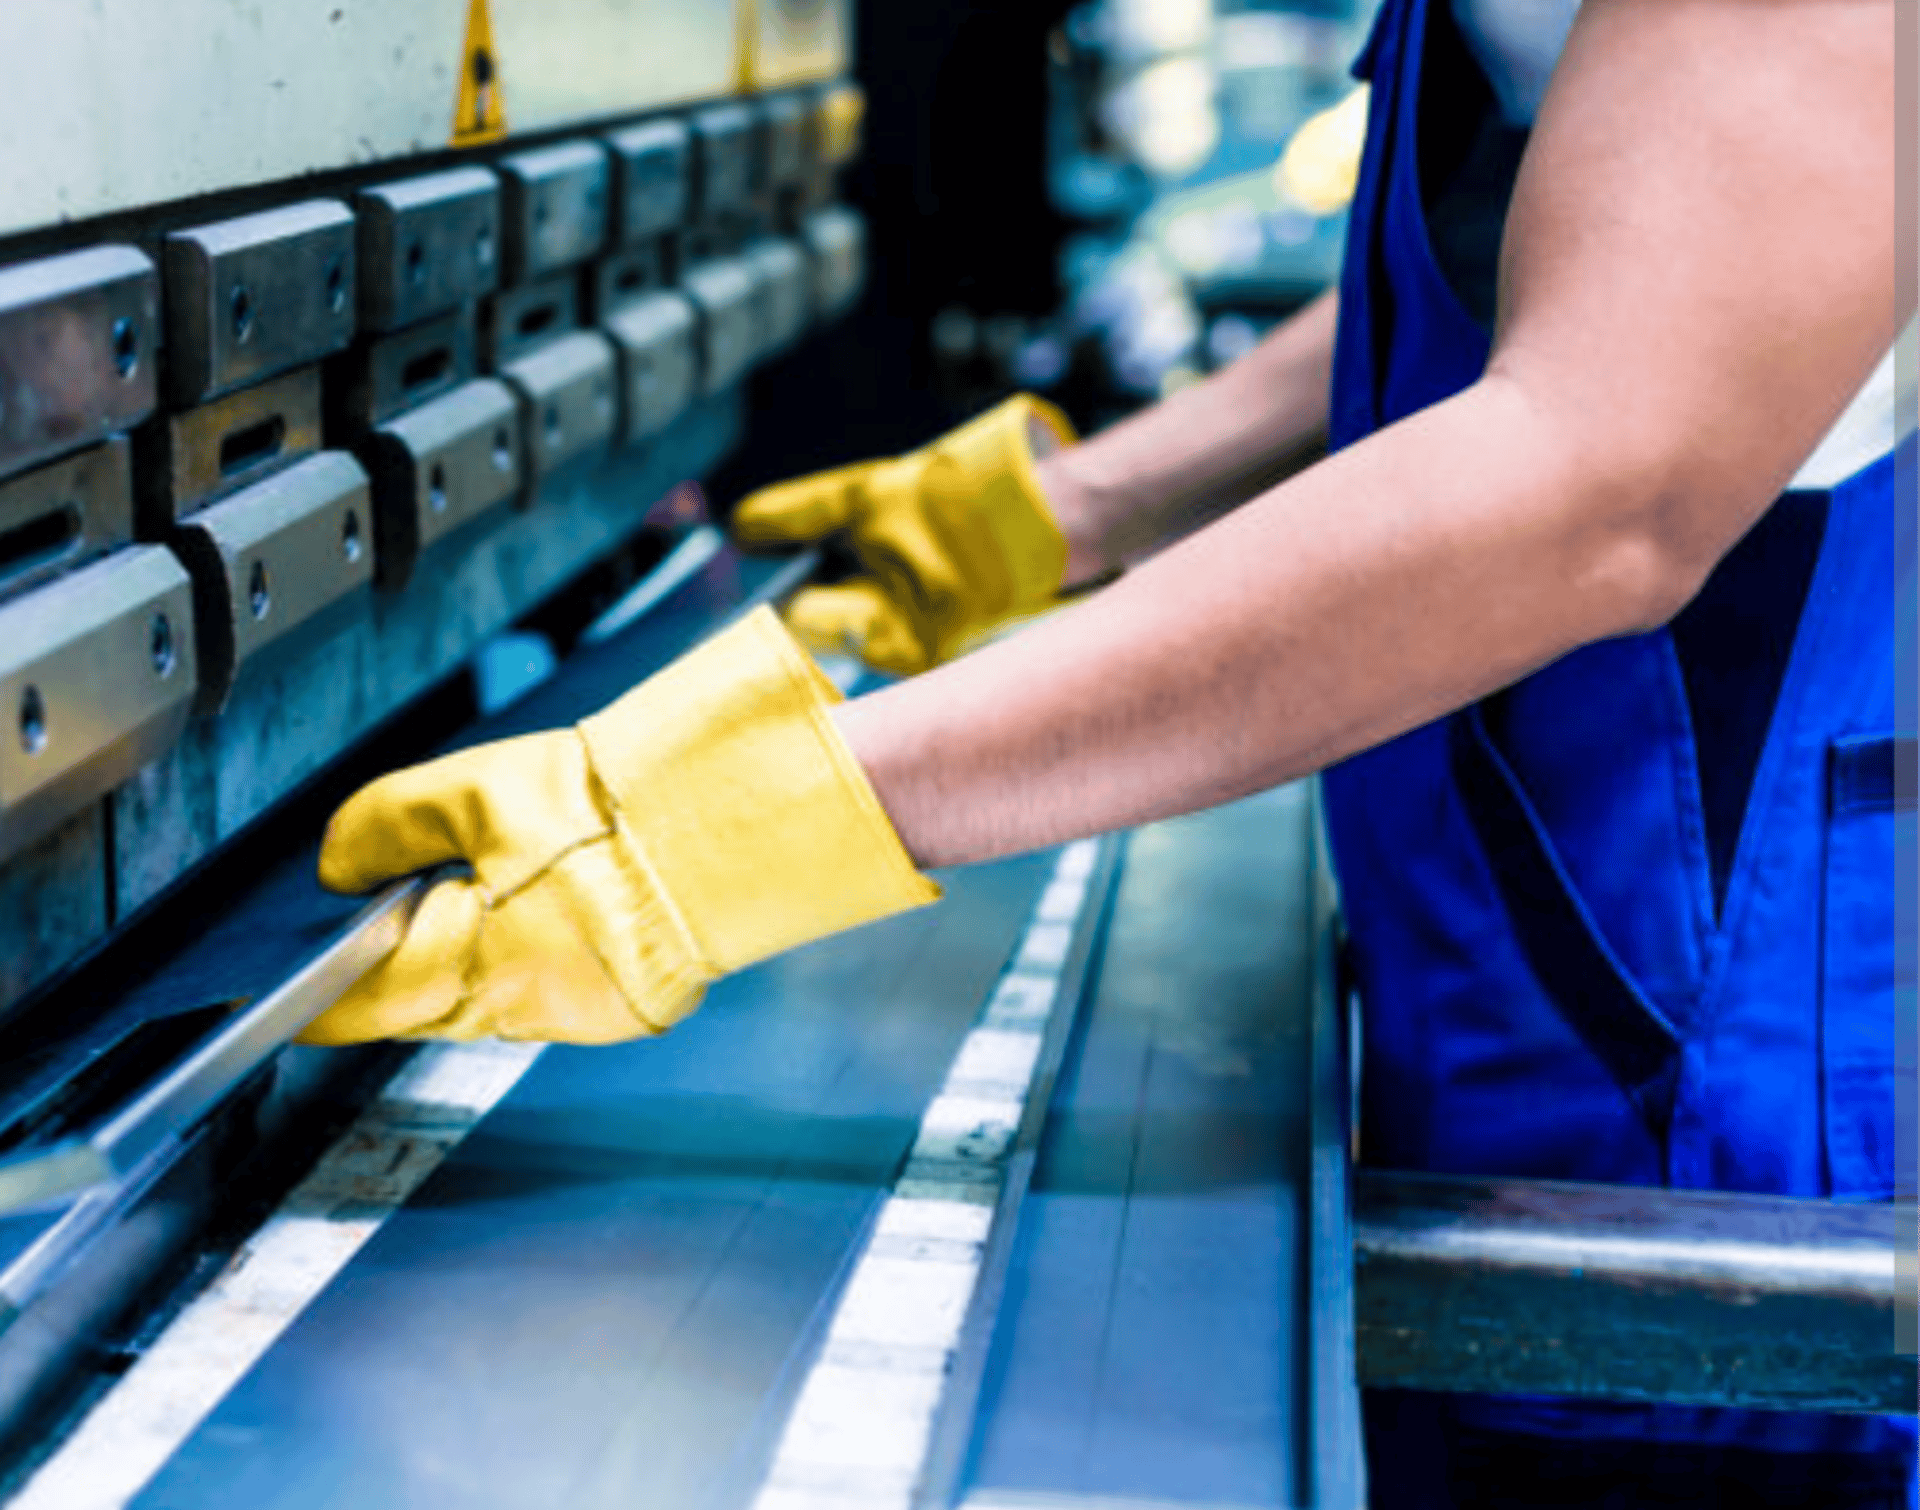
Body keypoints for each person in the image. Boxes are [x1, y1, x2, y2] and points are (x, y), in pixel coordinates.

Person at [301, 0, 1911, 1501]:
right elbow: (1604, 245)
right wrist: (1074, 508)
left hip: (1727, 1101)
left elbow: (1601, 483)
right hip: (1529, 1000)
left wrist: (765, 818)